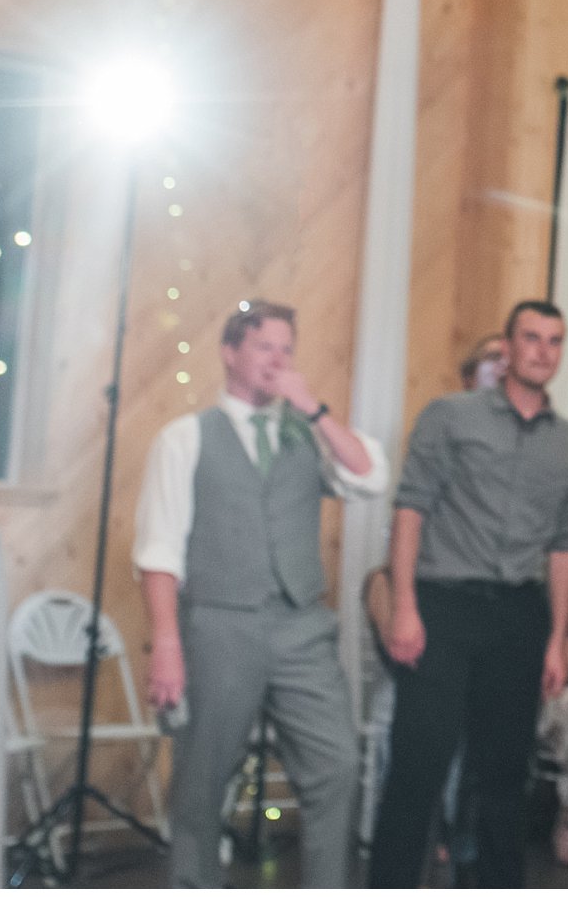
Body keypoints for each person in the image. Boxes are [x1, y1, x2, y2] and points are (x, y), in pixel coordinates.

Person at [133, 300, 389, 888]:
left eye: (286, 349)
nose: (277, 360)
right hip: (219, 624)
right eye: (263, 347)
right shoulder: (185, 438)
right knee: (202, 781)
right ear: (229, 353)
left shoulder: (308, 433)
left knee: (337, 765)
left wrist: (315, 409)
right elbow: (159, 551)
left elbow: (370, 477)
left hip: (301, 627)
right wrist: (167, 642)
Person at [367, 301, 568, 887]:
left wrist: (559, 639)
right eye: (531, 338)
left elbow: (566, 546)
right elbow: (410, 510)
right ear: (508, 349)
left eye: (554, 340)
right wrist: (405, 608)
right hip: (443, 606)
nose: (542, 350)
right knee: (419, 764)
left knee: (504, 777)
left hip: (519, 612)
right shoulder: (450, 416)